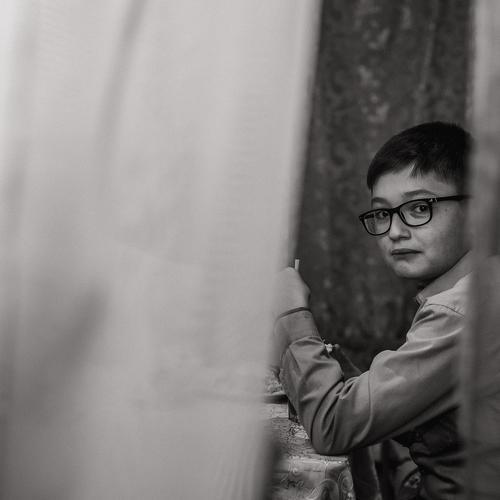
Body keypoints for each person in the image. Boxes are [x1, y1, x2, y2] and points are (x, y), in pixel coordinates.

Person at [272, 121, 472, 499]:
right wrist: (359, 385)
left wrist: (292, 314)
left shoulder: (460, 311)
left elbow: (333, 427)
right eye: (382, 214)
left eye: (419, 207)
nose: (395, 231)